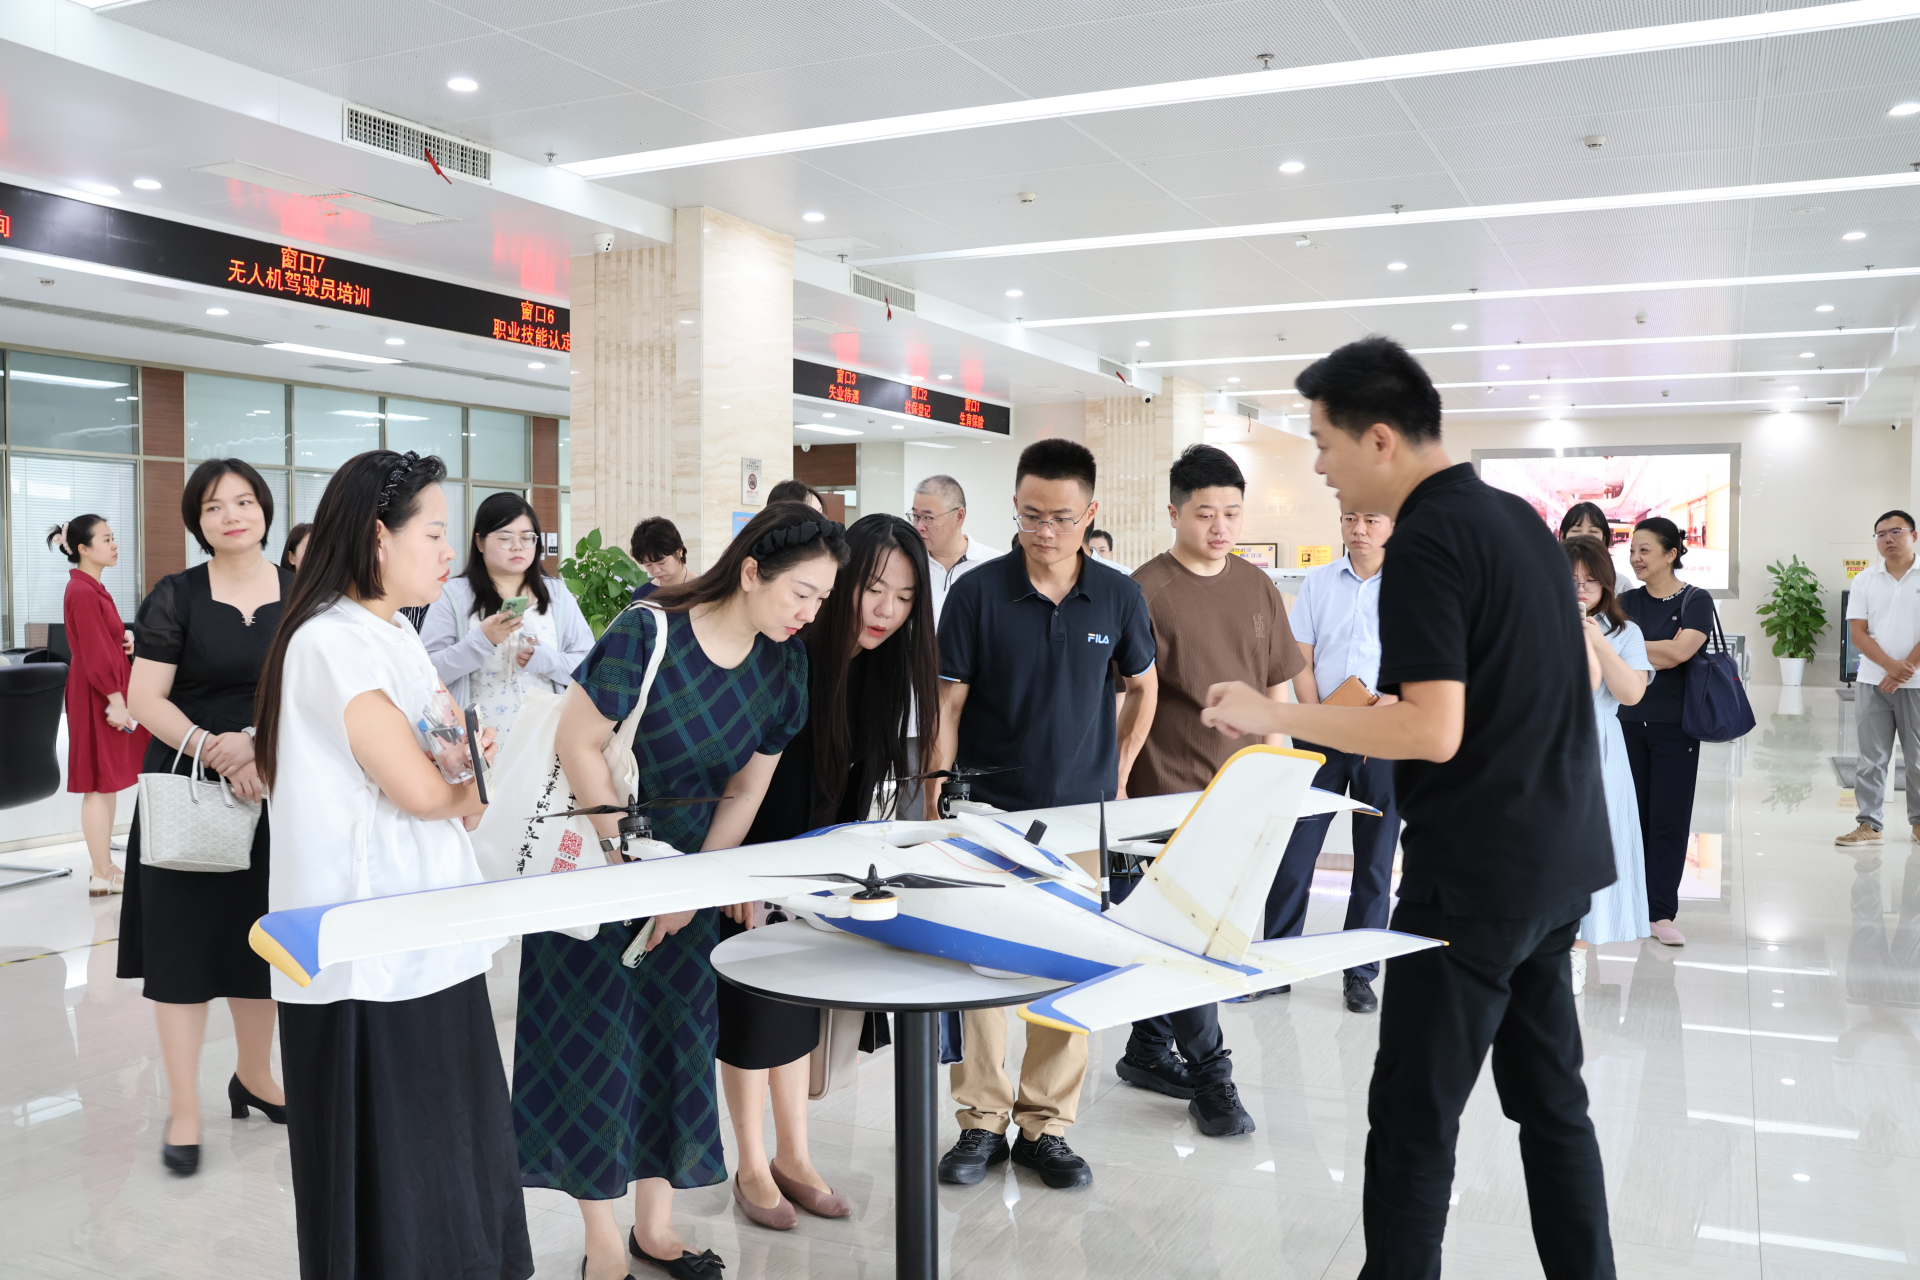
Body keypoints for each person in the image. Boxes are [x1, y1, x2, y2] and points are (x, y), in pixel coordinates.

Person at [1198, 336, 1617, 1280]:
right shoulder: (1517, 521)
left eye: (1323, 443)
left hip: (1473, 879)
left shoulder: (1425, 540)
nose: (1320, 467)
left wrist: (1274, 713)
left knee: (1413, 1121)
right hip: (1557, 864)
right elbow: (1505, 693)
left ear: (1379, 438)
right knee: (1553, 1106)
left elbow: (1432, 730)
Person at [521, 502, 844, 1280]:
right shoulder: (648, 632)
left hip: (685, 885)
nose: (809, 614)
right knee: (593, 1055)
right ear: (751, 572)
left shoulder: (784, 668)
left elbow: (745, 790)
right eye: (801, 593)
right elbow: (578, 742)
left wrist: (692, 886)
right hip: (600, 876)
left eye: (822, 600)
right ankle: (603, 1244)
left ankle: (655, 1230)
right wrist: (635, 868)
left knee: (672, 1048)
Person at [255, 449, 530, 1280]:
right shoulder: (330, 641)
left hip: (428, 931)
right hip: (365, 954)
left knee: (452, 1166)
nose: (450, 552)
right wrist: (471, 779)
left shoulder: (396, 633)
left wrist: (466, 778)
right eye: (435, 533)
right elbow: (427, 788)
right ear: (379, 536)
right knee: (391, 1191)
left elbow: (455, 779)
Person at [928, 439, 1156, 1192]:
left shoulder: (1118, 596)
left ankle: (1046, 1128)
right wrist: (936, 797)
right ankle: (981, 1119)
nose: (1045, 531)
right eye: (1031, 515)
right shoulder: (977, 593)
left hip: (1081, 822)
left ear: (1090, 514)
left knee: (1069, 968)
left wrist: (1119, 775)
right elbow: (948, 704)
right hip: (986, 815)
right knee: (981, 969)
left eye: (1061, 517)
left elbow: (1144, 686)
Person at [722, 514, 938, 1230]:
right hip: (750, 860)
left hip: (812, 873)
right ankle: (751, 1165)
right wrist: (740, 876)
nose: (886, 610)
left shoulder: (879, 671)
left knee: (794, 1014)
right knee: (752, 1018)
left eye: (904, 597)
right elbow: (741, 781)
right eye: (874, 588)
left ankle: (795, 1156)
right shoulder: (787, 652)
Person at [1116, 444, 1300, 1137]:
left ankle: (1146, 1050)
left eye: (1232, 512)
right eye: (1204, 513)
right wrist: (1118, 786)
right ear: (1173, 513)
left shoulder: (1257, 587)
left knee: (1202, 931)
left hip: (1243, 794)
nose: (1220, 526)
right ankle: (1213, 1076)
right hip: (1169, 793)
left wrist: (1282, 780)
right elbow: (1124, 699)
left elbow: (1277, 690)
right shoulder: (1144, 592)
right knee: (1193, 934)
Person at [122, 460, 289, 1175]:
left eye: (244, 501)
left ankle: (255, 1076)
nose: (232, 516)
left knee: (261, 945)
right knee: (182, 954)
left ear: (265, 510)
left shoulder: (304, 591)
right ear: (198, 521)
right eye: (215, 507)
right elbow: (145, 698)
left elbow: (315, 690)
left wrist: (258, 745)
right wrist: (213, 749)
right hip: (187, 788)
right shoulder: (176, 595)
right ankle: (184, 1109)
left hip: (276, 784)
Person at [1262, 507, 1400, 1016]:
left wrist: (1387, 705)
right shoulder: (1318, 582)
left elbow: (1425, 662)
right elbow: (1300, 655)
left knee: (1376, 859)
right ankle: (1277, 962)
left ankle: (1360, 973)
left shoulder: (1416, 586)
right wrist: (1321, 715)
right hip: (1320, 733)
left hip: (1383, 737)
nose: (1358, 529)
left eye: (1371, 519)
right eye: (1349, 518)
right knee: (1295, 850)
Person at [422, 491, 593, 737]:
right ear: (480, 542)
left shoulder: (556, 593)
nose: (517, 546)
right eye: (505, 537)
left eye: (527, 537)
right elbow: (428, 673)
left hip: (546, 740)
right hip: (480, 743)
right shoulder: (453, 594)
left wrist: (548, 660)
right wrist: (481, 641)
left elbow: (589, 665)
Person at [1617, 516, 1712, 946]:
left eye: (1645, 550)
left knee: (1668, 820)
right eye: (1632, 551)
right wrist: (1652, 649)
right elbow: (1609, 650)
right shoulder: (1626, 601)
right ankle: (1632, 904)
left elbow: (1678, 653)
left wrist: (1632, 648)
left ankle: (1660, 912)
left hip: (1676, 726)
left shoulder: (1696, 599)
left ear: (1671, 553)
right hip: (1625, 721)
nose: (1635, 558)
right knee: (1631, 817)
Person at [1565, 535, 1654, 994]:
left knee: (1595, 848)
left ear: (1606, 585)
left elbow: (1631, 694)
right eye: (1571, 580)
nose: (1581, 589)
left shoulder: (1626, 633)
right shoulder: (1535, 623)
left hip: (1600, 746)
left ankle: (1577, 952)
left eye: (1590, 581)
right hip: (1546, 746)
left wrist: (1597, 641)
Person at [49, 514, 148, 896]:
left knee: (106, 782)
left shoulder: (91, 589)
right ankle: (102, 872)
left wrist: (124, 638)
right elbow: (91, 651)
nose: (114, 544)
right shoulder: (83, 591)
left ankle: (103, 868)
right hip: (97, 694)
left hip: (102, 690)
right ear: (83, 549)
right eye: (106, 539)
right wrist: (116, 701)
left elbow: (99, 640)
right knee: (97, 783)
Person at [1838, 510, 1920, 849]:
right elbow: (1858, 632)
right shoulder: (1865, 580)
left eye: (1896, 531)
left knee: (1918, 758)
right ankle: (1869, 824)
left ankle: (1919, 824)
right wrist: (1889, 667)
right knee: (1870, 758)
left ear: (1914, 535)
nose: (1888, 539)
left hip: (1917, 684)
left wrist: (1906, 669)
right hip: (1873, 681)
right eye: (1881, 534)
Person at [911, 474, 1003, 624]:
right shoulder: (909, 564)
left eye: (928, 518)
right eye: (915, 516)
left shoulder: (995, 565)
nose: (919, 526)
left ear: (959, 517)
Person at [1560, 502, 1633, 595]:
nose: (1584, 536)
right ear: (1562, 537)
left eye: (1593, 531)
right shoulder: (1549, 579)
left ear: (1604, 539)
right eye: (1576, 531)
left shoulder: (1621, 584)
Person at [631, 516, 690, 601]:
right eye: (648, 564)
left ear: (679, 552)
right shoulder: (641, 595)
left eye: (661, 562)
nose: (656, 571)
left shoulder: (703, 590)